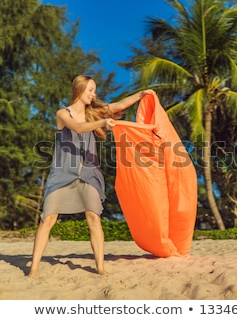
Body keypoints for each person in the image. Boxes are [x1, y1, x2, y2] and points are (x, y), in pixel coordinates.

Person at [28, 75, 153, 277]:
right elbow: (78, 128)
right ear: (79, 89)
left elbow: (118, 105)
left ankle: (100, 267)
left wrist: (141, 94)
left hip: (89, 172)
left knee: (94, 218)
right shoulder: (63, 113)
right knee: (48, 219)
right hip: (62, 173)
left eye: (94, 90)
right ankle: (33, 268)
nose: (93, 94)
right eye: (90, 90)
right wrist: (102, 122)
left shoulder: (94, 113)